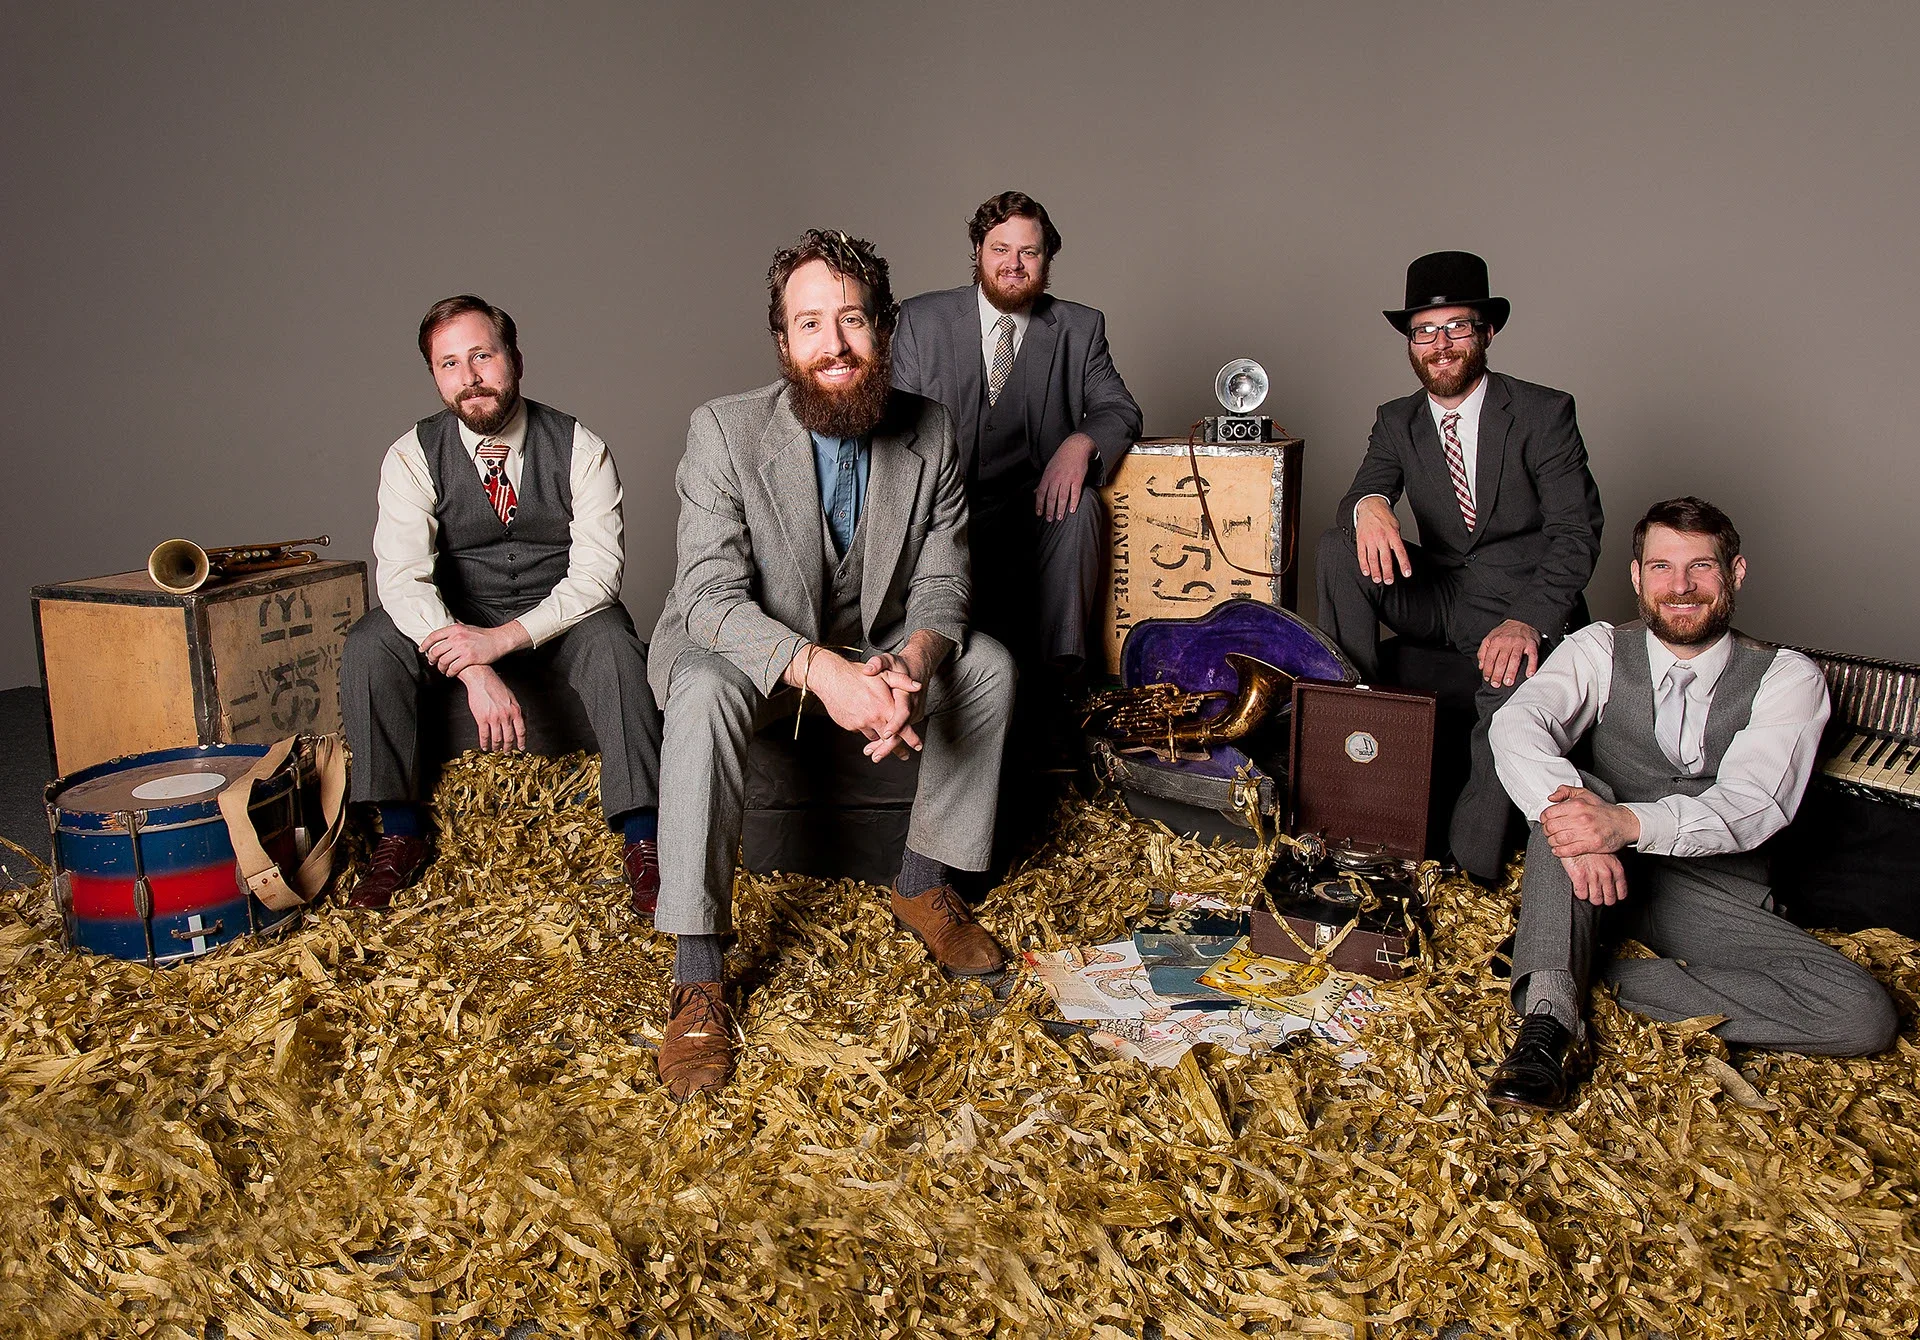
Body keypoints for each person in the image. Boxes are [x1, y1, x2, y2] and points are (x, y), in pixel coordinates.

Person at [649, 230, 1017, 1102]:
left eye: (852, 320)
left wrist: (908, 664)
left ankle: (924, 883)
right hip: (741, 647)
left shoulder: (931, 429)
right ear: (783, 343)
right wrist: (825, 675)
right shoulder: (724, 431)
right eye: (809, 324)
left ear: (884, 329)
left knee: (990, 665)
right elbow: (706, 599)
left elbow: (943, 580)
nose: (835, 344)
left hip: (869, 646)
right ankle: (698, 968)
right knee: (700, 691)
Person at [1483, 498, 1896, 1110]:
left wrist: (1624, 823)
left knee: (1862, 1015)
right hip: (1596, 876)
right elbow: (1517, 723)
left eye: (1700, 567)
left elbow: (1753, 802)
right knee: (1570, 797)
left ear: (1736, 573)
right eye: (1661, 567)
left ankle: (1581, 973)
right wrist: (1574, 814)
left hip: (1713, 892)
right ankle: (1548, 1025)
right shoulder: (1598, 647)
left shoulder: (1788, 677)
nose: (1680, 587)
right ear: (1636, 576)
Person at [340, 296, 663, 914]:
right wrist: (472, 663)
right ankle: (400, 834)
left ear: (514, 358)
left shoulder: (580, 446)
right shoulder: (411, 455)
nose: (469, 379)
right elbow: (404, 580)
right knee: (371, 643)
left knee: (617, 645)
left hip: (560, 617)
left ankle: (644, 841)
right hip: (457, 616)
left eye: (482, 356)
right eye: (449, 364)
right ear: (435, 377)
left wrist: (504, 639)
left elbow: (598, 576)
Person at [1318, 250, 1604, 881]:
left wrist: (1528, 621)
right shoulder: (1396, 420)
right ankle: (1353, 704)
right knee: (1338, 546)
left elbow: (1576, 534)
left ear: (1487, 333)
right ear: (1411, 343)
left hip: (1516, 602)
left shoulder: (1542, 413)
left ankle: (1466, 875)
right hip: (1442, 594)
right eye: (1425, 331)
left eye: (1456, 327)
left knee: (1501, 716)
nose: (1439, 344)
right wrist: (1367, 505)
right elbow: (1359, 495)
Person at [891, 191, 1142, 685]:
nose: (1014, 264)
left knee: (1084, 506)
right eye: (1000, 249)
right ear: (978, 253)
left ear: (1047, 258)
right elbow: (891, 427)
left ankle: (1059, 686)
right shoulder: (923, 322)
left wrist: (1080, 443)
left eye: (1029, 252)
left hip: (1032, 512)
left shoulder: (1079, 327)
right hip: (942, 516)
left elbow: (1119, 408)